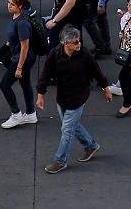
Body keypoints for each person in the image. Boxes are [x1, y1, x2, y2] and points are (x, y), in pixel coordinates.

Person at [36, 25, 111, 173]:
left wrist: (106, 88)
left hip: (78, 97)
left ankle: (60, 160)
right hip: (62, 97)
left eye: (79, 40)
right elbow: (45, 75)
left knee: (67, 130)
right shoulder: (55, 54)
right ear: (66, 43)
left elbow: (97, 71)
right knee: (71, 125)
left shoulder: (84, 54)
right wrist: (40, 95)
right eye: (75, 42)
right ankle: (90, 145)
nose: (79, 44)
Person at [0, 0, 39, 129]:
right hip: (20, 57)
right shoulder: (15, 18)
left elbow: (25, 47)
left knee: (4, 85)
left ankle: (16, 114)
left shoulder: (22, 23)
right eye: (9, 3)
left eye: (12, 4)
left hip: (22, 59)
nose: (9, 6)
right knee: (25, 84)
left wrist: (19, 67)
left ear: (20, 6)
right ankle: (30, 113)